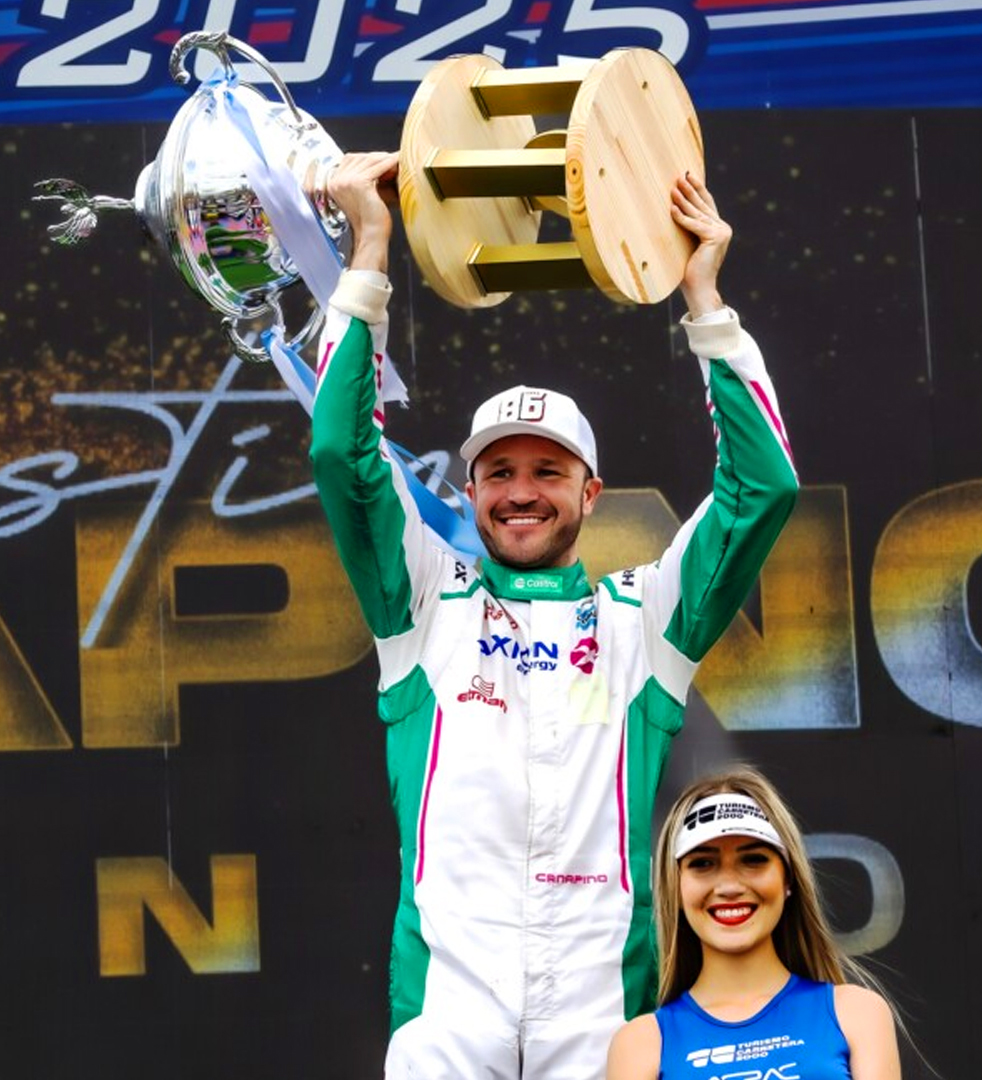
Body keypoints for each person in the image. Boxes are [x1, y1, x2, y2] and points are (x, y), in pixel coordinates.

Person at [309, 150, 799, 1080]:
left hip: (600, 1011)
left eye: (547, 471)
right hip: (448, 1012)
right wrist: (369, 251)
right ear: (470, 489)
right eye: (498, 471)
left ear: (590, 492)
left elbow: (762, 489)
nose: (521, 492)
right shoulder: (422, 604)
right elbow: (344, 455)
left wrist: (706, 305)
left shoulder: (645, 623)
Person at [606, 767, 903, 1080]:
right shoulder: (641, 1044)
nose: (729, 886)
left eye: (753, 860)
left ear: (788, 878)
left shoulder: (857, 1013)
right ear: (675, 887)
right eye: (703, 863)